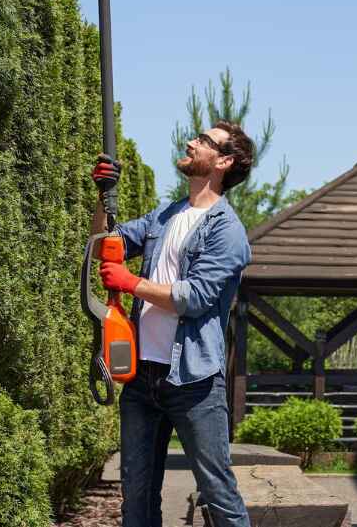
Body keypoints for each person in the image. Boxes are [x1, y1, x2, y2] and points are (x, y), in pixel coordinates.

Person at [93, 121, 255, 527]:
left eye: (203, 141)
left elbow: (197, 297)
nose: (190, 142)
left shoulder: (227, 230)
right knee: (137, 495)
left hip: (194, 382)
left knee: (217, 493)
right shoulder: (165, 215)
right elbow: (104, 244)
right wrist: (103, 196)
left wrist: (132, 283)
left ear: (223, 160)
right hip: (141, 378)